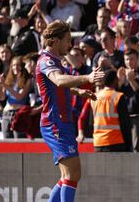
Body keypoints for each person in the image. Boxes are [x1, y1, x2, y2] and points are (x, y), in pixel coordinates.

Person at [36, 20, 102, 202]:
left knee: (71, 174)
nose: (70, 44)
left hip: (62, 122)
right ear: (56, 41)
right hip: (54, 123)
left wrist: (78, 91)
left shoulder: (55, 61)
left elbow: (59, 85)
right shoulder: (46, 61)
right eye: (67, 40)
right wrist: (86, 77)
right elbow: (58, 80)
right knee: (72, 174)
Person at [80, 70, 132, 151]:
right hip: (116, 142)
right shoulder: (118, 96)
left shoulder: (94, 97)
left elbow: (90, 123)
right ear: (115, 80)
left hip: (98, 143)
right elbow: (125, 123)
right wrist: (128, 144)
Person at [117, 49, 139, 152]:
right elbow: (117, 95)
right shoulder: (122, 74)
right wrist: (120, 82)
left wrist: (131, 80)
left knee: (137, 148)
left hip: (138, 116)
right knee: (124, 147)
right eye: (127, 59)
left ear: (137, 59)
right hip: (124, 116)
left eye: (132, 59)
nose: (129, 62)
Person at [0, 56, 31, 138]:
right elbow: (1, 97)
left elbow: (19, 96)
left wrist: (4, 84)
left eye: (18, 65)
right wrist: (1, 84)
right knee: (7, 144)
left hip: (19, 114)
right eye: (13, 65)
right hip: (6, 114)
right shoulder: (9, 80)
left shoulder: (27, 80)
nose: (16, 67)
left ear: (22, 66)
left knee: (19, 142)